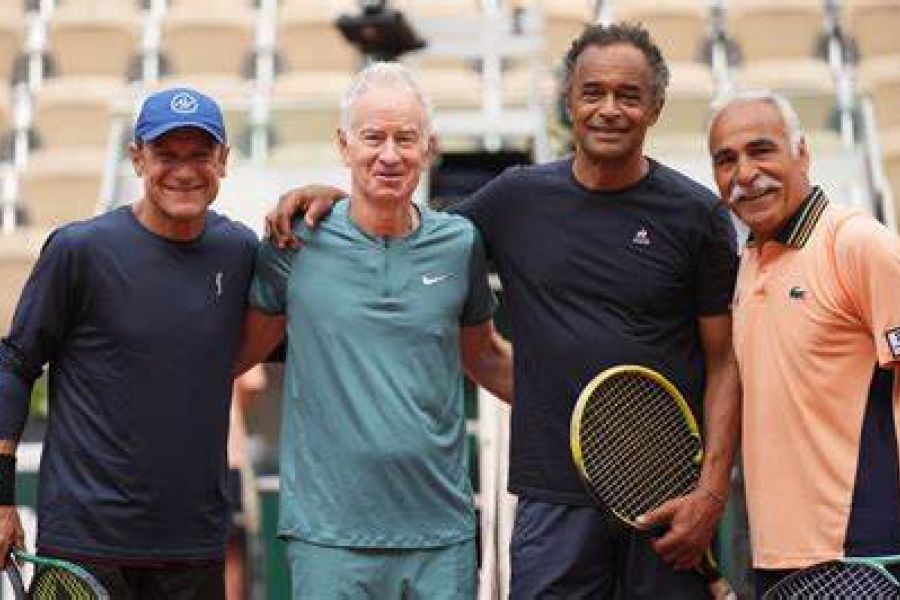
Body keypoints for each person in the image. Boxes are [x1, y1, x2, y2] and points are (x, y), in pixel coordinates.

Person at [266, 22, 741, 599]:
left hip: (666, 495)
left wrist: (712, 494)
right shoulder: (515, 198)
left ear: (657, 107)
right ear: (568, 102)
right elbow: (413, 229)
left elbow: (726, 364)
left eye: (628, 95)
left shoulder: (700, 217)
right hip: (550, 501)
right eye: (592, 93)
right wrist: (341, 198)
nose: (609, 110)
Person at [235, 62, 513, 598]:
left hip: (441, 536)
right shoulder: (295, 241)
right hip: (328, 539)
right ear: (344, 146)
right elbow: (240, 351)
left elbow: (486, 359)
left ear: (427, 148)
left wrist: (577, 406)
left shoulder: (460, 244)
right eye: (373, 137)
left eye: (405, 139)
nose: (389, 154)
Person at [0, 87, 258, 599]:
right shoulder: (80, 249)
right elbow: (14, 365)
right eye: (166, 154)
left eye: (200, 154)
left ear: (224, 161)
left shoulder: (241, 250)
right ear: (137, 157)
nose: (184, 170)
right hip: (84, 543)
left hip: (193, 545)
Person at [707, 89, 900, 597]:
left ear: (803, 152)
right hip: (776, 557)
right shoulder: (747, 263)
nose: (744, 173)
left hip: (863, 553)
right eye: (726, 160)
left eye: (761, 150)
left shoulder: (857, 243)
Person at [225, 365, 266, 600]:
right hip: (226, 453)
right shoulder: (230, 326)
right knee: (227, 558)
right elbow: (253, 383)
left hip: (159, 458)